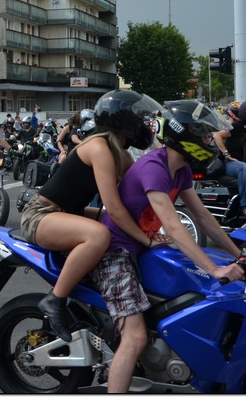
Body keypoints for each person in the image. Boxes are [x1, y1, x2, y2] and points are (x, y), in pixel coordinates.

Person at [93, 100, 245, 392]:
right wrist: (214, 269)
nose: (207, 141)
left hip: (142, 249)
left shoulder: (181, 169)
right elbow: (174, 226)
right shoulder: (155, 167)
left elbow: (202, 216)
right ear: (183, 136)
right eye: (202, 135)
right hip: (115, 252)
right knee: (135, 338)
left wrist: (237, 254)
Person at [18, 89, 160, 342]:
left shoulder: (120, 152)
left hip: (69, 213)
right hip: (41, 214)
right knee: (99, 235)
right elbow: (114, 207)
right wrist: (145, 239)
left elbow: (142, 183)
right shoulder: (99, 147)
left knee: (110, 224)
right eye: (139, 118)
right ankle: (55, 299)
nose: (144, 124)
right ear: (123, 121)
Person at [210, 101, 246, 218]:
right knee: (244, 168)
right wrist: (227, 154)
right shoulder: (239, 126)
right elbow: (217, 136)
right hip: (231, 163)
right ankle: (245, 205)